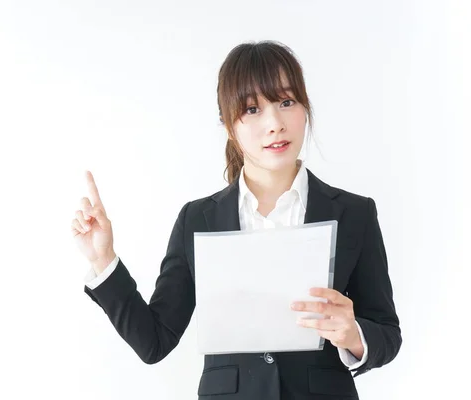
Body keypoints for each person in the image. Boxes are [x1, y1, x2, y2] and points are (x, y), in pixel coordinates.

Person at [72, 40, 401, 399]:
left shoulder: (354, 213)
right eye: (252, 109)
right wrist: (102, 259)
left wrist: (353, 334)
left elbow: (387, 333)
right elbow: (155, 341)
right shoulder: (197, 219)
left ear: (305, 109)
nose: (275, 123)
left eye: (286, 102)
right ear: (229, 125)